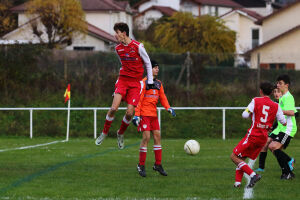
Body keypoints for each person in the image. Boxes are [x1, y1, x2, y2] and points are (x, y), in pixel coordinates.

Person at [95, 22, 153, 149]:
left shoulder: (138, 47)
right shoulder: (118, 49)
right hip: (123, 80)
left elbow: (148, 63)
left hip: (135, 83)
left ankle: (120, 133)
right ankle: (104, 133)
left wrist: (149, 82)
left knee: (129, 113)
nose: (115, 35)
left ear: (124, 33)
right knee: (114, 108)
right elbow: (123, 63)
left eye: (117, 33)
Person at [231, 82, 286, 188]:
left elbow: (244, 115)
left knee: (233, 157)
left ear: (261, 91)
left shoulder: (256, 100)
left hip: (253, 135)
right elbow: (283, 121)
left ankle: (253, 175)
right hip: (263, 138)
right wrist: (267, 125)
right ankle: (237, 183)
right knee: (241, 158)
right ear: (270, 92)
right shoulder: (276, 105)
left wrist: (250, 111)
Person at [132, 60, 176, 177]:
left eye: (157, 67)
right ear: (149, 69)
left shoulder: (158, 84)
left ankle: (158, 164)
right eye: (155, 67)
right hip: (144, 115)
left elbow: (163, 97)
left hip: (153, 115)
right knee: (146, 138)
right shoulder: (143, 83)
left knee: (157, 137)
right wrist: (136, 115)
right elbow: (139, 100)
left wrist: (168, 107)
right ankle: (141, 165)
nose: (157, 69)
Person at [268, 74, 297, 179]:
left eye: (280, 83)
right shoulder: (282, 98)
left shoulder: (288, 97)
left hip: (289, 129)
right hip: (283, 128)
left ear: (286, 85)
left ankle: (287, 169)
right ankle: (287, 170)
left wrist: (279, 110)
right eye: (277, 83)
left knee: (273, 147)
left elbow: (291, 112)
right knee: (272, 148)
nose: (278, 85)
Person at [255, 87, 282, 172]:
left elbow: (287, 118)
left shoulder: (283, 103)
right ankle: (261, 167)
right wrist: (270, 127)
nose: (276, 94)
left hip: (284, 129)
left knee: (273, 147)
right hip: (278, 128)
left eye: (278, 92)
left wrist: (272, 127)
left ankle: (288, 161)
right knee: (266, 144)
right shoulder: (274, 103)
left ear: (282, 93)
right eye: (274, 92)